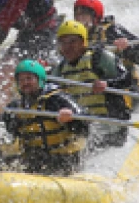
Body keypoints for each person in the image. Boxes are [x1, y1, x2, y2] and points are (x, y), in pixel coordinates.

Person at [50, 20, 132, 149]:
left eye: (72, 41)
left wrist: (107, 84)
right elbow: (50, 92)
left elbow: (127, 78)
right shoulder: (60, 69)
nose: (67, 47)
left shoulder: (100, 57)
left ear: (83, 42)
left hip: (112, 127)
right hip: (86, 129)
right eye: (63, 42)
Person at [0, 59, 88, 175]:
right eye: (21, 80)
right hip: (35, 158)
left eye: (29, 78)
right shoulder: (16, 106)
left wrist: (72, 119)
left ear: (40, 80)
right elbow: (1, 128)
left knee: (44, 162)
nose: (25, 83)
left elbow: (84, 121)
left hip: (64, 159)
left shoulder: (57, 99)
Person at [73, 0, 139, 111]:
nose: (80, 19)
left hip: (123, 82)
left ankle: (138, 111)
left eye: (84, 15)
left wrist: (128, 47)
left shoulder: (111, 31)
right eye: (77, 15)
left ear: (95, 17)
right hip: (92, 84)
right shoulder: (75, 35)